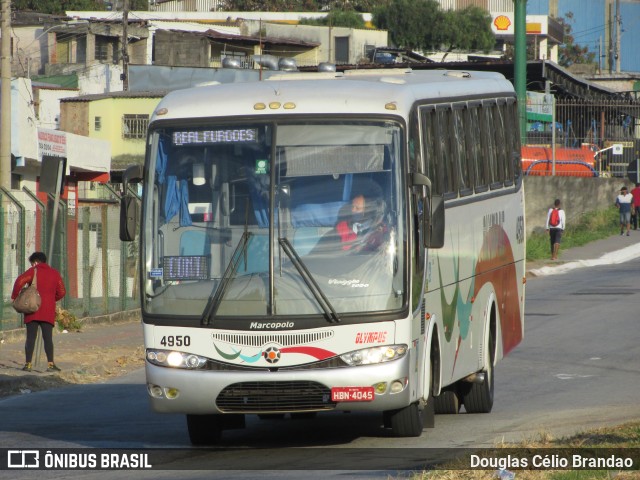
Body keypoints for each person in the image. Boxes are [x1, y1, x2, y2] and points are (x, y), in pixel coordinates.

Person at [11, 252, 66, 373]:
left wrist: (15, 296)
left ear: (35, 262)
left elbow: (20, 281)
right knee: (48, 338)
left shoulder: (33, 271)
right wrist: (52, 299)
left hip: (32, 309)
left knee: (31, 337)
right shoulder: (54, 273)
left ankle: (28, 364)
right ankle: (51, 364)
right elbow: (62, 291)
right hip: (48, 310)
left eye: (32, 263)